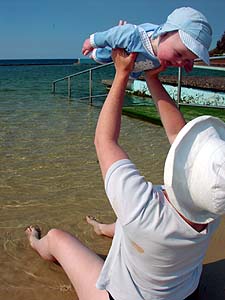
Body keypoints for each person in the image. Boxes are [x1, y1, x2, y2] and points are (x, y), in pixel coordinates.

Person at [25, 49, 225, 300]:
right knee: (130, 225)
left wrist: (122, 74)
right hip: (184, 293)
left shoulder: (143, 208)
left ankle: (35, 243)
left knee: (56, 238)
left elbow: (104, 141)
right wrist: (152, 79)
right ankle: (103, 228)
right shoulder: (213, 209)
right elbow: (177, 134)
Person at [82, 7, 212, 79]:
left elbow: (185, 52)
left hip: (135, 68)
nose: (179, 63)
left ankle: (132, 74)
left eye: (187, 59)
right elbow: (110, 35)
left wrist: (189, 62)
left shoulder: (170, 49)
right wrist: (92, 42)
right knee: (106, 54)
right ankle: (95, 54)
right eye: (178, 54)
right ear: (165, 33)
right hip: (122, 51)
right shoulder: (134, 36)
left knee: (135, 70)